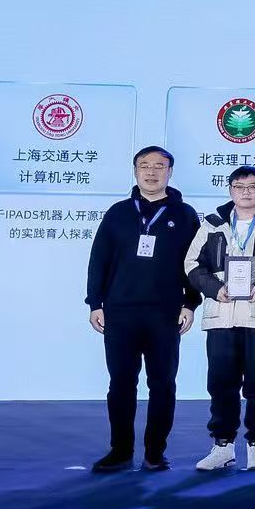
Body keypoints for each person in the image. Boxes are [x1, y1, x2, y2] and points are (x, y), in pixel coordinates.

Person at [85, 146, 202, 473]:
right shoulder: (119, 212)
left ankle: (155, 452)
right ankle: (120, 451)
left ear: (170, 172)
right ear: (136, 170)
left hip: (165, 313)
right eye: (144, 166)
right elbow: (99, 260)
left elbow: (195, 264)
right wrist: (95, 303)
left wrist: (190, 303)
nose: (151, 172)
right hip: (120, 312)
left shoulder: (185, 215)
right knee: (121, 383)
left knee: (162, 384)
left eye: (159, 166)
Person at [183, 165, 255, 471]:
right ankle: (222, 446)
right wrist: (215, 289)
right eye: (239, 186)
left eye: (252, 186)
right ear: (230, 190)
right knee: (221, 383)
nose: (246, 192)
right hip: (221, 316)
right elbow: (191, 263)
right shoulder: (212, 224)